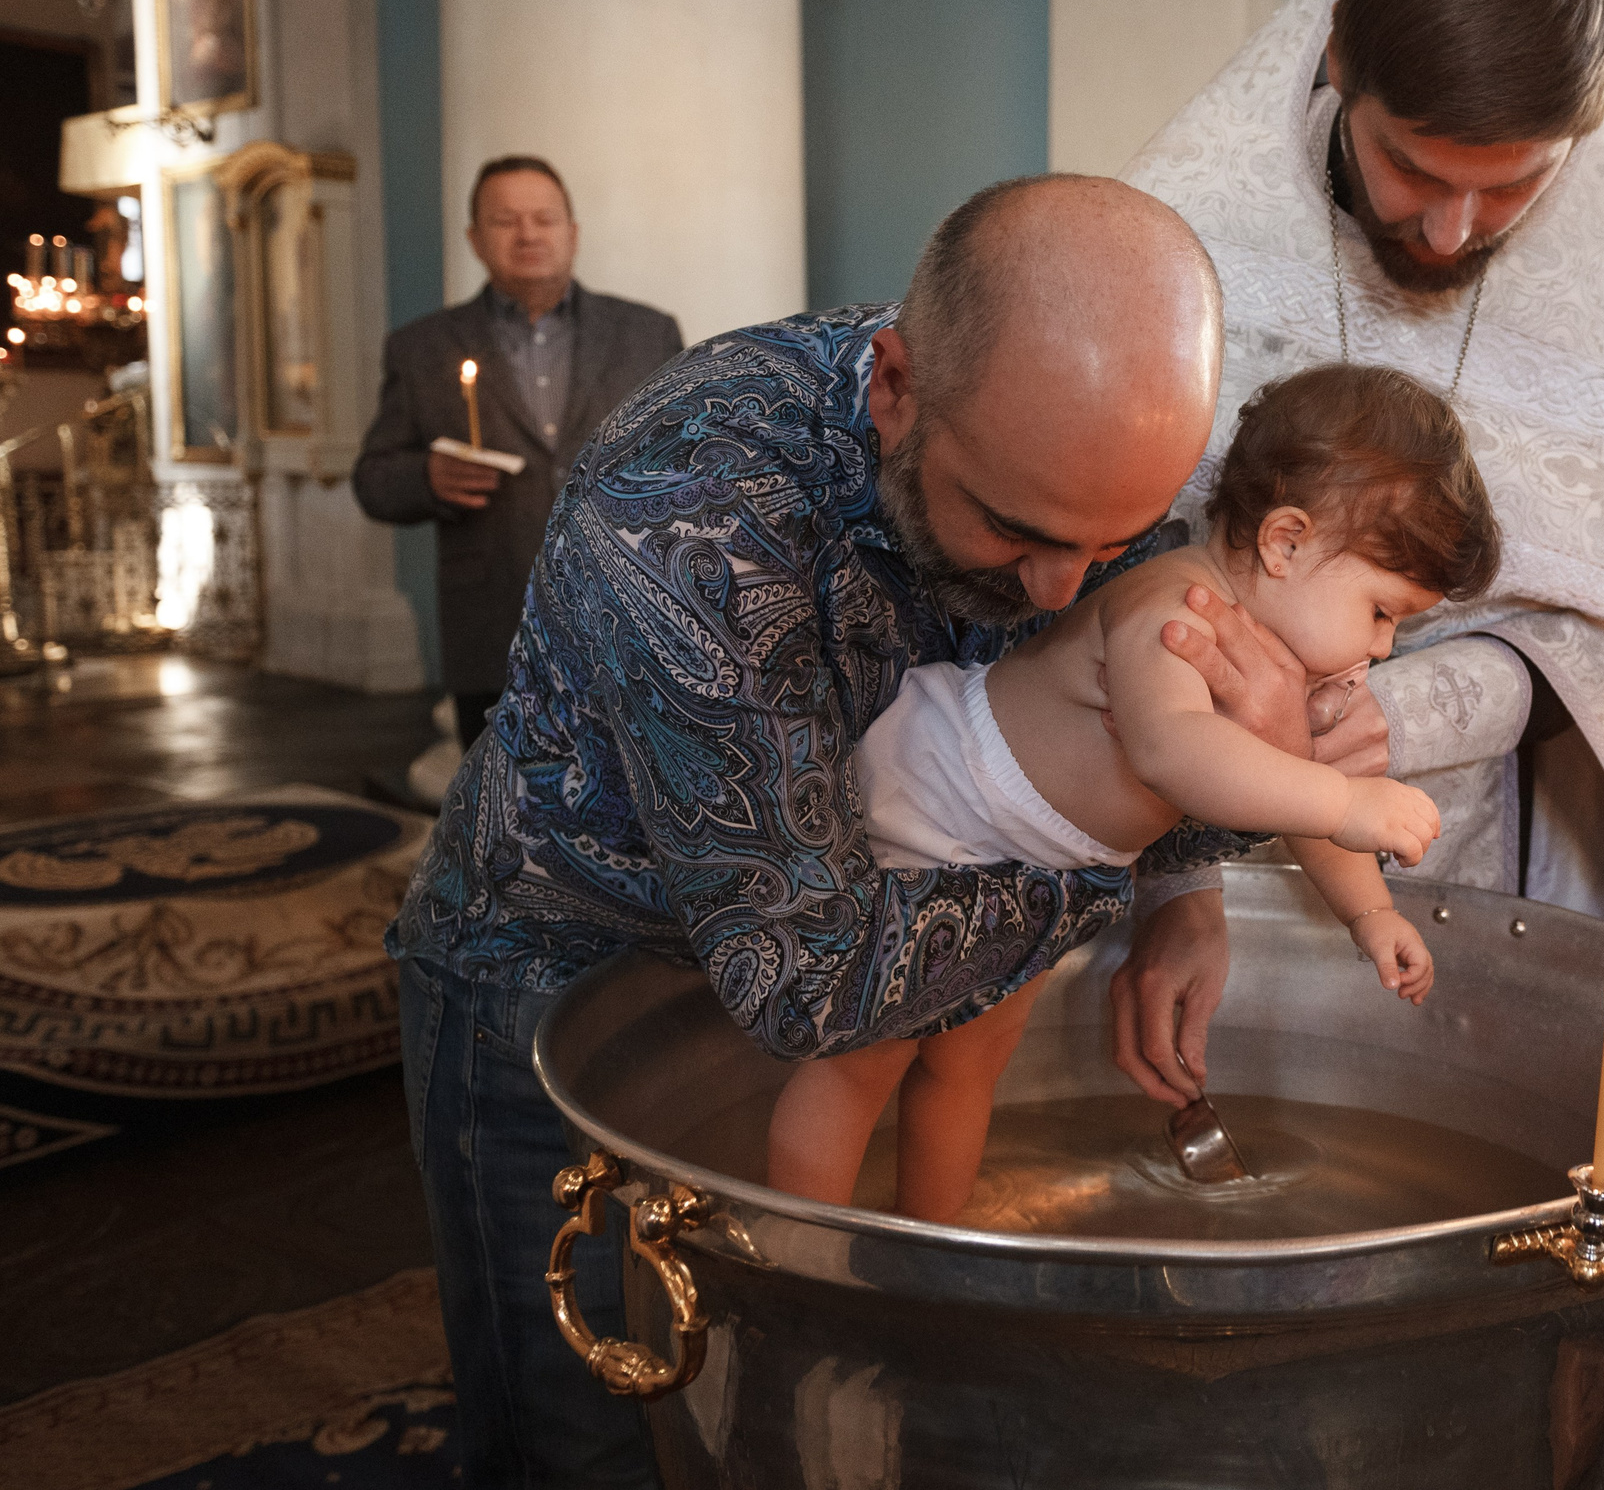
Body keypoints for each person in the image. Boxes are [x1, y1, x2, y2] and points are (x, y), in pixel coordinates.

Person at [387, 174, 1335, 1489]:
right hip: (553, 981)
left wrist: (1189, 881)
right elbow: (813, 981)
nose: (1063, 588)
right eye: (1016, 528)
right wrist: (1145, 840)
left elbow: (1118, 656)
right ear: (894, 384)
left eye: (1118, 538)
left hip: (842, 951)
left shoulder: (1052, 442)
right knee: (592, 1431)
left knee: (768, 1426)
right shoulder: (691, 513)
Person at [1113, 0, 1604, 1100]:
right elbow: (1095, 591)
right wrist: (1177, 880)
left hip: (1466, 863)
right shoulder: (1179, 245)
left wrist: (1423, 710)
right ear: (1335, 72)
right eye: (1414, 167)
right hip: (1175, 844)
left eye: (1517, 182)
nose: (1454, 231)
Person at [768, 363, 1493, 1214]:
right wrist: (1347, 803)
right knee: (863, 1061)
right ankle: (793, 1260)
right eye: (1382, 610)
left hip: (1028, 864)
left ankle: (938, 1252)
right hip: (935, 809)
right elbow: (1172, 750)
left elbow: (1297, 789)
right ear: (1285, 542)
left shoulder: (1281, 664)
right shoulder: (1171, 608)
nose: (1383, 645)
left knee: (969, 1063)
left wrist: (1370, 914)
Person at [353, 155, 681, 750]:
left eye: (544, 218)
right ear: (475, 240)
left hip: (631, 621)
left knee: (636, 813)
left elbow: (688, 460)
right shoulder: (422, 348)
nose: (527, 234)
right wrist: (426, 477)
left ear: (572, 233)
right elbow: (372, 480)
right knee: (507, 816)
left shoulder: (648, 333)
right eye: (506, 220)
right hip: (492, 631)